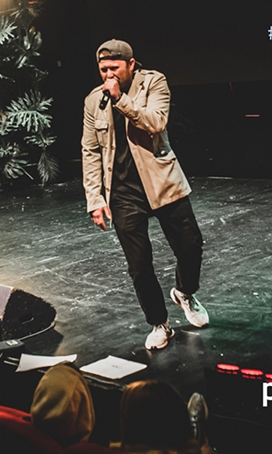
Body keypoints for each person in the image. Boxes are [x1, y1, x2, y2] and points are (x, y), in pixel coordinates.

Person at [82, 39, 208, 350]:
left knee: (191, 245)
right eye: (103, 70)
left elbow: (156, 122)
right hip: (122, 192)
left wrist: (121, 99)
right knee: (139, 265)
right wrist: (95, 199)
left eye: (114, 68)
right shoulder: (93, 101)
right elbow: (90, 151)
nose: (108, 75)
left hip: (162, 181)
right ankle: (159, 323)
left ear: (130, 64)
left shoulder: (153, 82)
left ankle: (184, 292)